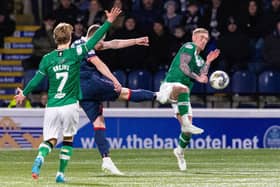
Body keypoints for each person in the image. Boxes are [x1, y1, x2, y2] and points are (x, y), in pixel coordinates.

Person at [14, 7, 121, 183]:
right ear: (70, 38)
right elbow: (94, 39)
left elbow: (35, 80)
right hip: (70, 104)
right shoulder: (75, 53)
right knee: (68, 139)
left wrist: (23, 94)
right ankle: (60, 174)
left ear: (55, 38)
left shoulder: (47, 58)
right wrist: (109, 21)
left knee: (50, 140)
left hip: (52, 105)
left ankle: (40, 157)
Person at [71, 24, 156, 175]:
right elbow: (99, 64)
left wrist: (135, 41)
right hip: (89, 81)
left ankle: (106, 160)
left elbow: (114, 43)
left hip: (80, 91)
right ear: (94, 37)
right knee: (123, 92)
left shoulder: (81, 43)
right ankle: (159, 96)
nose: (102, 44)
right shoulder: (84, 45)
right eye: (101, 40)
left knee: (98, 122)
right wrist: (114, 80)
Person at [156, 28, 220, 171]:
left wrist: (208, 62)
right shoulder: (188, 46)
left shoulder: (200, 59)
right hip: (171, 84)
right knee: (183, 88)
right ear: (194, 37)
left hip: (182, 96)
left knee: (187, 131)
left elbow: (203, 75)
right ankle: (162, 95)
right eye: (202, 37)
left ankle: (179, 151)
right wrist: (198, 78)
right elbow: (183, 66)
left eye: (206, 39)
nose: (204, 41)